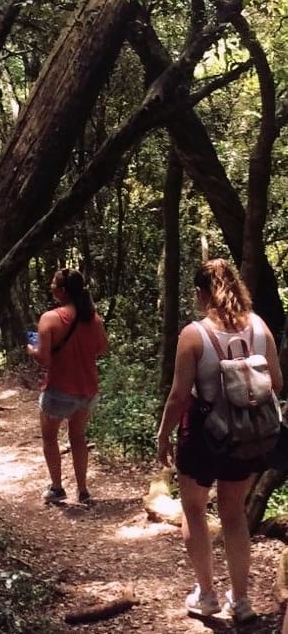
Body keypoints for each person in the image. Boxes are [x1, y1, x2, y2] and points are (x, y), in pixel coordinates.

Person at [157, 258, 283, 624]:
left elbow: (180, 394)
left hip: (201, 433)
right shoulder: (260, 327)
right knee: (233, 514)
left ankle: (207, 595)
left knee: (194, 511)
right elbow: (275, 382)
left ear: (201, 293)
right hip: (245, 435)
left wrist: (163, 435)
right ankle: (241, 601)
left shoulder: (194, 334)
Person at [27, 267, 108, 506]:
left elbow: (44, 359)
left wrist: (31, 348)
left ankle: (57, 487)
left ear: (62, 291)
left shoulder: (50, 318)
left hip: (59, 390)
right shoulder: (92, 318)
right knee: (78, 438)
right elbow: (102, 348)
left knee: (50, 438)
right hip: (87, 390)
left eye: (53, 283)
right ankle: (83, 491)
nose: (50, 285)